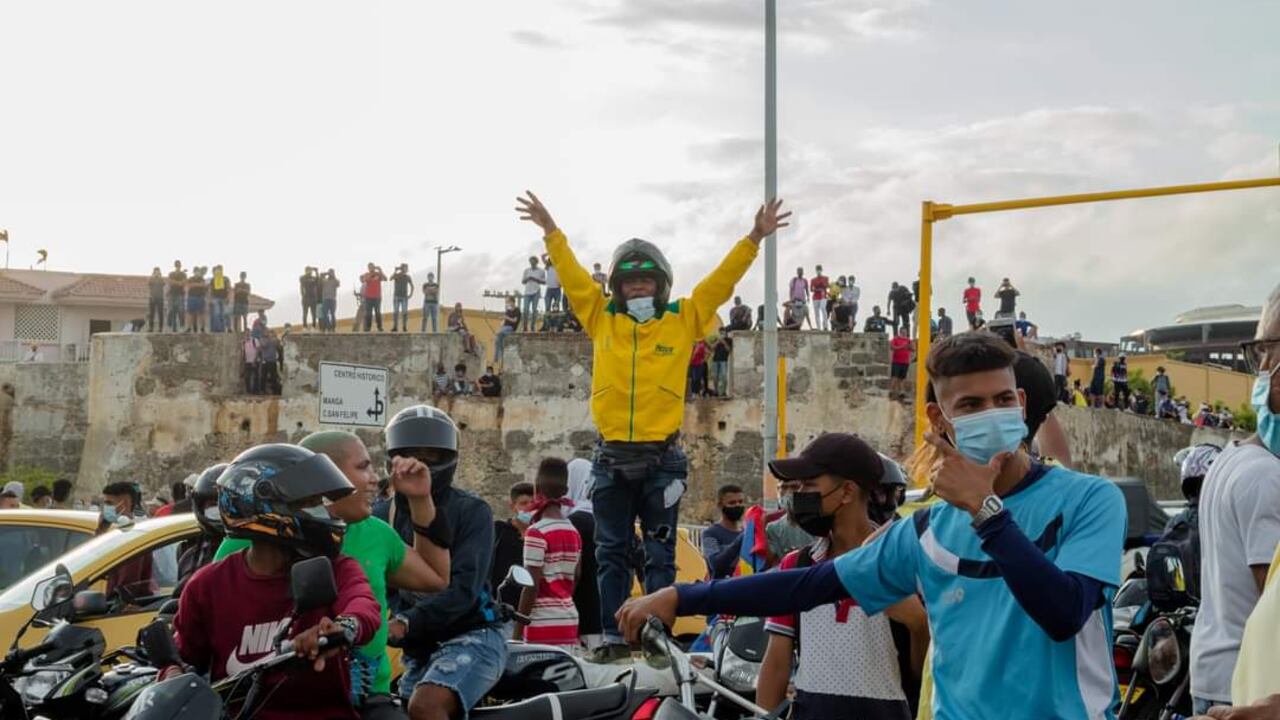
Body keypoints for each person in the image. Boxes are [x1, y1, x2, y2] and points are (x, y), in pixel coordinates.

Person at [618, 332, 1127, 720]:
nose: (991, 414)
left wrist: (986, 510)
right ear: (939, 418)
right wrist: (684, 598)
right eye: (970, 405)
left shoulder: (1089, 499)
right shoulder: (926, 530)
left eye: (1002, 400)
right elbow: (808, 584)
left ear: (1020, 403)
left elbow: (1063, 612)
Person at [517, 190, 789, 663]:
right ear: (617, 291)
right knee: (610, 552)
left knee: (662, 554)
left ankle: (657, 635)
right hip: (612, 458)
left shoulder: (683, 319)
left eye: (645, 283)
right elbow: (578, 279)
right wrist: (551, 231)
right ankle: (614, 637)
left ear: (660, 286)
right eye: (629, 285)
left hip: (664, 459)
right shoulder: (601, 319)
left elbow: (719, 284)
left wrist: (754, 238)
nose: (637, 291)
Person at [214, 434, 449, 718]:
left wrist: (421, 499)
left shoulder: (375, 534)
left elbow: (435, 578)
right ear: (325, 477)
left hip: (366, 696)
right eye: (363, 467)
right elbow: (208, 611)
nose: (375, 478)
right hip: (272, 696)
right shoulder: (252, 541)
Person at [168, 444, 382, 720]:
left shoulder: (336, 568)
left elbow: (364, 605)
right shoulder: (207, 585)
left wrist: (343, 628)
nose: (327, 513)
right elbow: (185, 658)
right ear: (265, 503)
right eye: (311, 503)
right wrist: (171, 672)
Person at [756, 434, 929, 720]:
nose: (798, 494)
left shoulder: (904, 563)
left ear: (847, 492)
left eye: (809, 484)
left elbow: (926, 675)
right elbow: (776, 661)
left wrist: (919, 624)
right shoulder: (797, 565)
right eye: (797, 486)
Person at [377, 406, 507, 720]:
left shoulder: (472, 511)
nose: (419, 463)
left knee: (427, 706)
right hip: (417, 646)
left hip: (472, 636)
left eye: (431, 455)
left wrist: (404, 622)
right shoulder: (381, 516)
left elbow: (463, 590)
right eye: (411, 453)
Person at [1190, 286, 1280, 715]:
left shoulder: (1236, 460)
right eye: (1261, 351)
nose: (1265, 369)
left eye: (1273, 350)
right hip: (1249, 689)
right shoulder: (1266, 474)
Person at [514, 458, 582, 647]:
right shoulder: (573, 531)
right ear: (566, 491)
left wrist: (517, 634)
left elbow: (531, 586)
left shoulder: (536, 532)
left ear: (536, 489)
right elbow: (576, 575)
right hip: (568, 619)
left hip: (541, 623)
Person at [566, 458, 603, 650]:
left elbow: (574, 573)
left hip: (580, 616)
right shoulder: (608, 522)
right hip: (607, 617)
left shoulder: (572, 523)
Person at [490, 481, 535, 623]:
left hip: (529, 610)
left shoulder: (540, 535)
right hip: (503, 608)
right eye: (523, 503)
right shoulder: (499, 531)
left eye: (532, 503)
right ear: (513, 506)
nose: (528, 508)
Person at [700, 484, 745, 564]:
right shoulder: (710, 533)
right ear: (720, 505)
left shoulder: (746, 532)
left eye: (740, 502)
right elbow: (714, 563)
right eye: (732, 503)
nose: (737, 505)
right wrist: (740, 541)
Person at [521, 256, 546, 331]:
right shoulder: (526, 270)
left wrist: (534, 279)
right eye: (530, 261)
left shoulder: (541, 271)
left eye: (533, 261)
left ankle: (532, 326)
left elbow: (544, 282)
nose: (531, 263)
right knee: (525, 309)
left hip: (536, 292)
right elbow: (523, 282)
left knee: (534, 310)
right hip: (527, 292)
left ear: (536, 262)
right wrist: (527, 279)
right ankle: (525, 326)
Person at [361, 264, 386, 332]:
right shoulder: (367, 274)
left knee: (378, 312)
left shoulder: (378, 274)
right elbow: (363, 280)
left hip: (377, 297)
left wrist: (380, 270)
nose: (371, 268)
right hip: (368, 297)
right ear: (368, 268)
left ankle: (380, 327)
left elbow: (385, 279)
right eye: (369, 267)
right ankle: (368, 328)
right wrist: (371, 275)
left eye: (372, 267)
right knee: (368, 313)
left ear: (374, 267)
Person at [890, 325, 913, 401]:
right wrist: (902, 346)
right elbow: (892, 347)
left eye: (905, 332)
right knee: (895, 377)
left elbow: (913, 349)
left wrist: (910, 346)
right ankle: (892, 391)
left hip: (905, 362)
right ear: (900, 332)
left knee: (902, 378)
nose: (904, 333)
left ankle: (901, 392)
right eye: (902, 332)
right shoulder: (895, 339)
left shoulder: (909, 340)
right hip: (896, 361)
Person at [494, 296, 520, 362]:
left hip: (511, 328)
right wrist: (501, 321)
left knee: (499, 334)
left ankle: (500, 355)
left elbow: (515, 320)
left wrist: (506, 318)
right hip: (505, 328)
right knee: (497, 339)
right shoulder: (508, 311)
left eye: (508, 302)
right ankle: (497, 356)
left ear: (512, 302)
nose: (507, 303)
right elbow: (504, 321)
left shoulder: (517, 310)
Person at [391, 264, 414, 333]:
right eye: (405, 268)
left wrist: (410, 294)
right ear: (402, 268)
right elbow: (391, 278)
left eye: (406, 268)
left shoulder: (408, 277)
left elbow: (412, 286)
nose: (406, 269)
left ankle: (404, 327)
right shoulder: (397, 275)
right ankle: (395, 327)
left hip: (404, 297)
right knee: (395, 312)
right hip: (397, 296)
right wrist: (395, 271)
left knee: (404, 312)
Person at [260, 331, 283, 395]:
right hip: (265, 361)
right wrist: (269, 339)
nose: (269, 334)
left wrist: (277, 341)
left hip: (273, 361)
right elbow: (264, 345)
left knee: (274, 376)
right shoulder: (262, 339)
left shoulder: (274, 340)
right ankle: (262, 390)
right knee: (263, 376)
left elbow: (279, 348)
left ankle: (275, 391)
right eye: (268, 333)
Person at [209, 265, 230, 333]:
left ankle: (223, 328)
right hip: (215, 298)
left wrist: (228, 297)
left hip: (224, 297)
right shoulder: (213, 279)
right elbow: (210, 289)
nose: (218, 270)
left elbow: (228, 288)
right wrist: (210, 298)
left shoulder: (226, 278)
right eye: (217, 269)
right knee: (216, 313)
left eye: (220, 269)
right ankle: (217, 328)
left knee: (224, 314)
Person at [167, 260, 187, 332]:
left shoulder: (183, 274)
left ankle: (182, 326)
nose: (178, 266)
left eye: (179, 265)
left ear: (180, 266)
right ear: (175, 265)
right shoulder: (171, 273)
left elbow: (183, 283)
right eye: (176, 265)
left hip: (180, 294)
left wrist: (175, 282)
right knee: (170, 310)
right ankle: (169, 327)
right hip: (171, 294)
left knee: (181, 310)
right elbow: (169, 282)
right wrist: (178, 282)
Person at [186, 267, 207, 333]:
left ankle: (202, 328)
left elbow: (203, 285)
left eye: (198, 271)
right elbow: (188, 286)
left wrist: (194, 284)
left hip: (200, 297)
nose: (197, 272)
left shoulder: (202, 279)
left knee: (201, 313)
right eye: (196, 271)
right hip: (191, 297)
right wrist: (198, 285)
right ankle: (189, 328)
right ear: (194, 272)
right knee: (190, 313)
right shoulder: (190, 278)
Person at [811, 265, 830, 331]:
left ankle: (825, 326)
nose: (818, 270)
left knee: (823, 308)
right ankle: (818, 328)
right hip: (815, 297)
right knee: (816, 313)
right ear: (816, 270)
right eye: (817, 269)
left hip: (823, 296)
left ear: (821, 270)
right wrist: (818, 288)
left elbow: (827, 286)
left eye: (819, 269)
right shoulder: (813, 280)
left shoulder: (825, 278)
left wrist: (821, 284)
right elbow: (811, 289)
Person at [147, 267, 166, 332]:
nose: (157, 273)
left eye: (158, 272)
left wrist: (159, 277)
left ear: (159, 272)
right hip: (152, 297)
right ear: (153, 272)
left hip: (160, 298)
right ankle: (150, 327)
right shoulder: (151, 279)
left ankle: (160, 328)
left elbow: (163, 284)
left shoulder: (161, 279)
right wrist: (153, 276)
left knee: (160, 313)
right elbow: (149, 283)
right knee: (151, 313)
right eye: (155, 272)